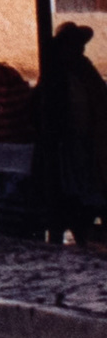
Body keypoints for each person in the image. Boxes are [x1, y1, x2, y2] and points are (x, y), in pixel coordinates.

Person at [37, 22, 107, 242]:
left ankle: (83, 233)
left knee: (85, 192)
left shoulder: (85, 71)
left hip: (87, 143)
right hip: (64, 146)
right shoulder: (55, 76)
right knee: (67, 194)